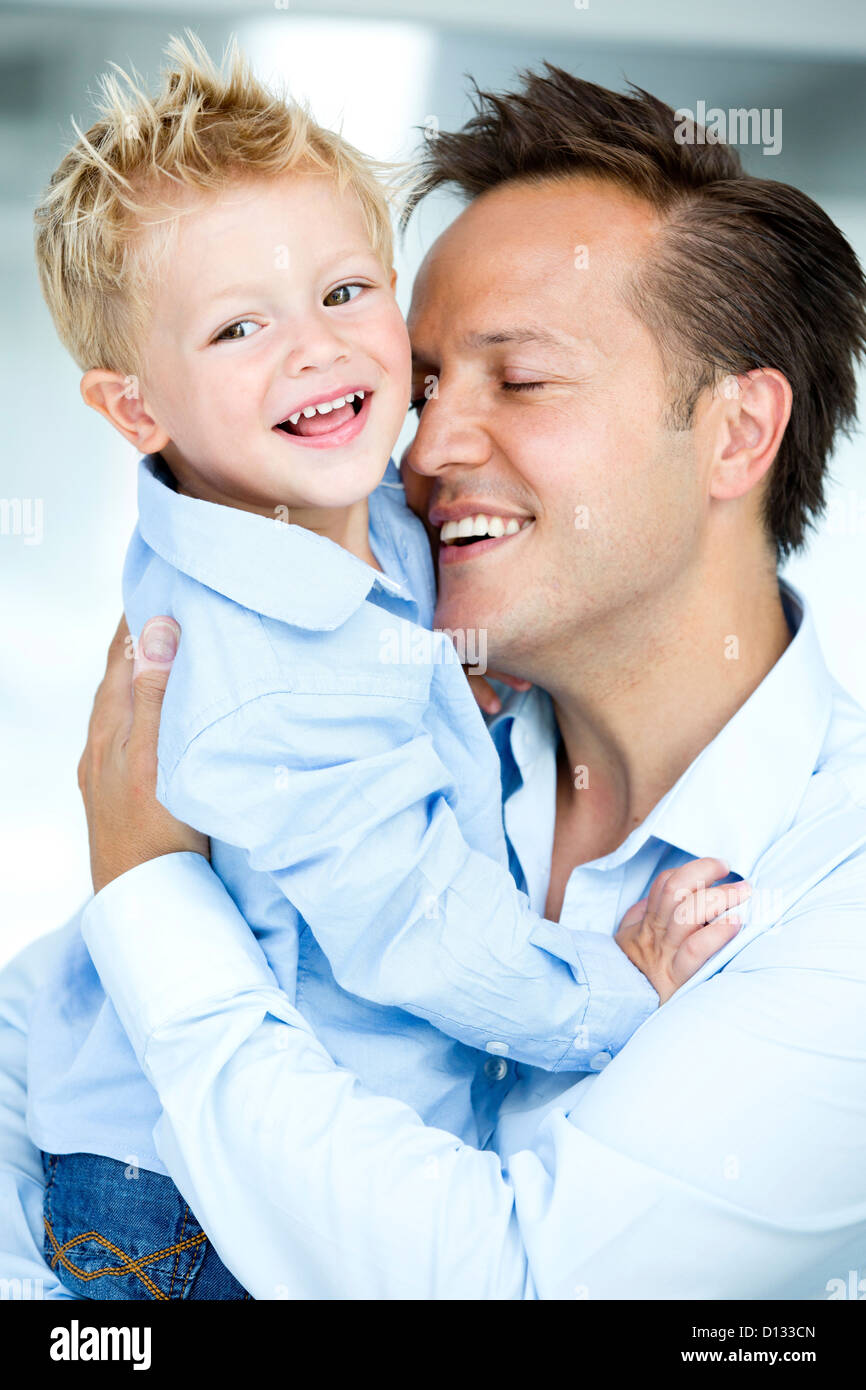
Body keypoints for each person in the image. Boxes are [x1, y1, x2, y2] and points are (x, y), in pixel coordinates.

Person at [3, 62, 866, 1300]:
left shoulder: (828, 892)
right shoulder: (401, 697)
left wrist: (147, 886)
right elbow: (48, 1021)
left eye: (516, 380)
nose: (425, 448)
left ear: (734, 432)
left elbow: (512, 1287)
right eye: (420, 385)